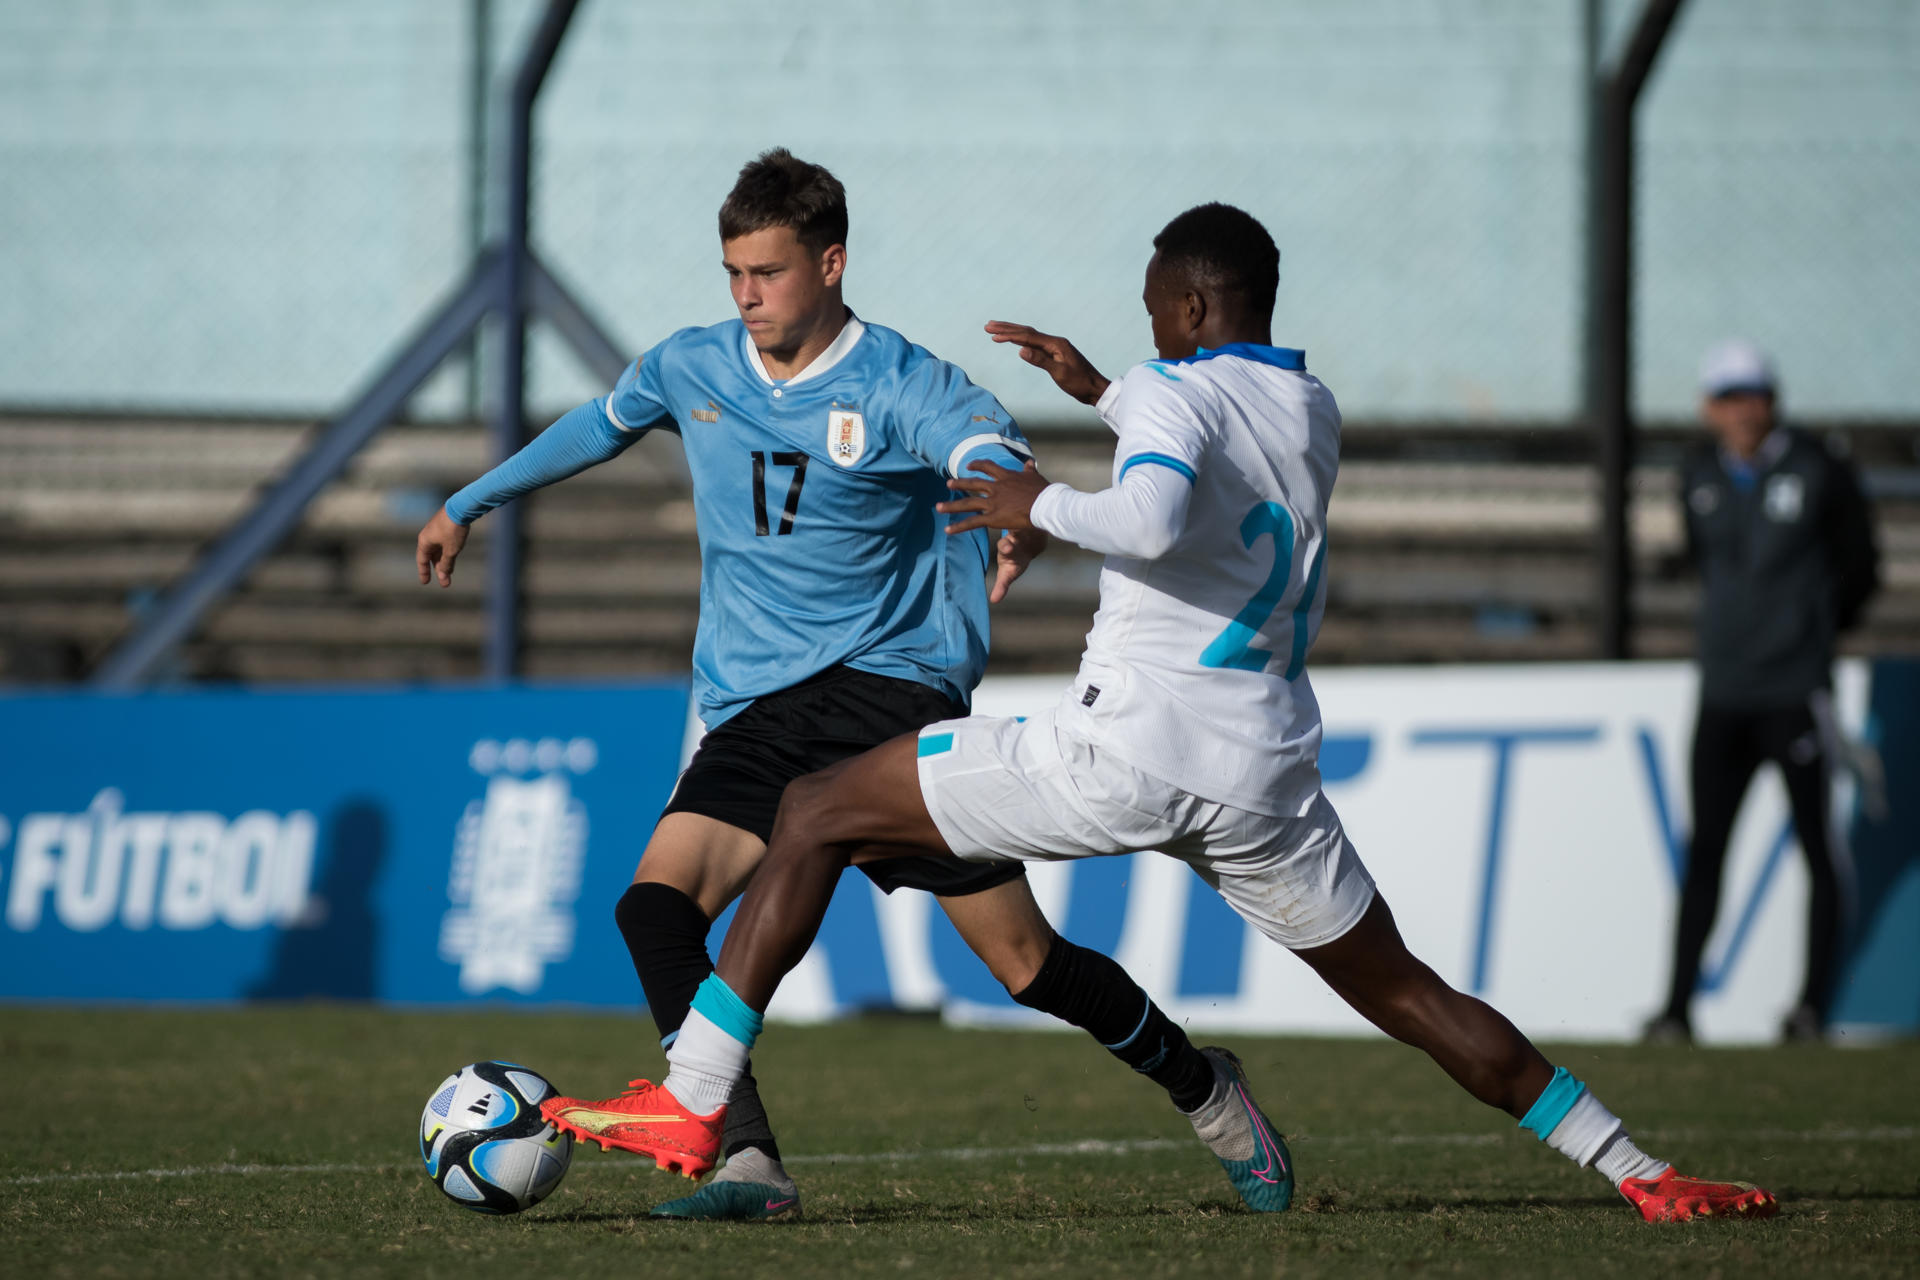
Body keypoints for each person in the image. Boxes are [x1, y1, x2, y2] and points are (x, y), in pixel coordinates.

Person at [579, 203, 1782, 1224]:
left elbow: (1151, 517)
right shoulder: (1309, 410)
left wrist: (1039, 499)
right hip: (1265, 780)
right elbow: (1207, 451)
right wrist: (1101, 388)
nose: (1149, 323)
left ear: (1195, 311)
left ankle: (696, 1093)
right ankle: (1642, 1171)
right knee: (1407, 991)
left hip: (1127, 750)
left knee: (815, 805)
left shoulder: (1169, 391)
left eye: (1157, 304)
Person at [418, 151, 1253, 1221]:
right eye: (732, 272)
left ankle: (1206, 1088)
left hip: (888, 692)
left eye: (766, 271)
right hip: (757, 709)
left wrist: (1020, 516)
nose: (746, 295)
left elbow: (986, 445)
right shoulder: (694, 366)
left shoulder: (902, 382)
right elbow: (598, 424)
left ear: (830, 261)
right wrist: (469, 501)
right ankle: (744, 1158)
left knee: (1026, 963)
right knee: (653, 906)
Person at [1645, 340, 1880, 1045]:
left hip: (1793, 688)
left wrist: (1808, 635)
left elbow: (1861, 568)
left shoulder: (1819, 468)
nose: (1744, 407)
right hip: (1723, 689)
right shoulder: (1697, 473)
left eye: (1755, 392)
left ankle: (1811, 1007)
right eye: (1729, 394)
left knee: (1816, 845)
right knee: (1708, 847)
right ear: (1708, 407)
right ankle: (1677, 1008)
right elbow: (1700, 555)